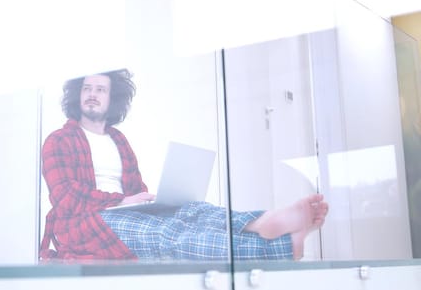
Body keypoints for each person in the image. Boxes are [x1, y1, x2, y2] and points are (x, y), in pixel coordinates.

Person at [39, 69, 329, 261]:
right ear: (77, 95)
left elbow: (135, 189)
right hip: (84, 222)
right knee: (167, 234)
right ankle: (280, 246)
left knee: (193, 210)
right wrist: (122, 201)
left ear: (111, 99)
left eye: (101, 89)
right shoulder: (59, 140)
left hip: (123, 212)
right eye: (87, 88)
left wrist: (153, 202)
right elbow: (65, 197)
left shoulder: (119, 140)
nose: (92, 94)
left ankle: (261, 222)